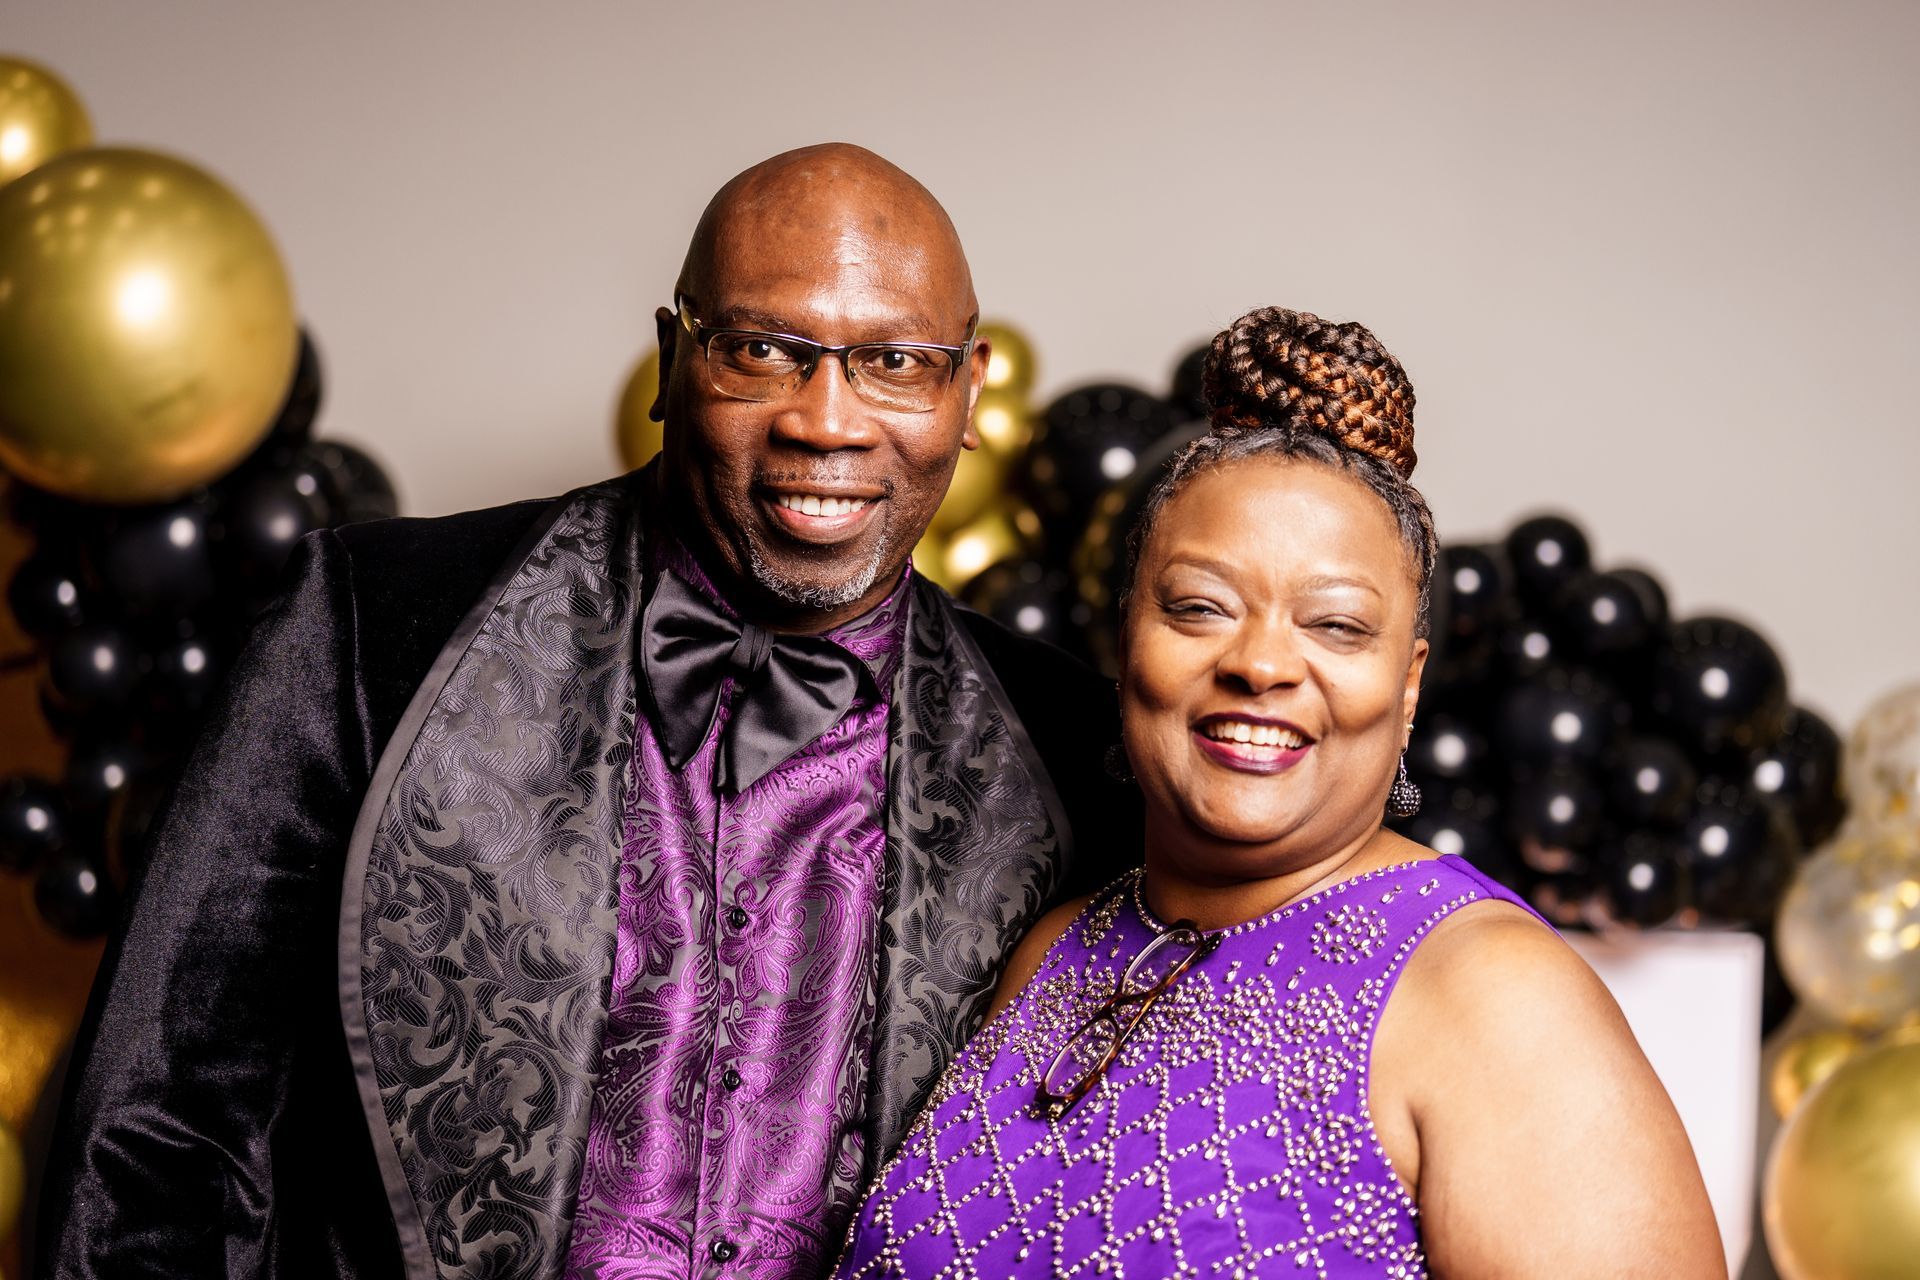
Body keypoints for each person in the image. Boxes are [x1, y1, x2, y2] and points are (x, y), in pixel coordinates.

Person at [36, 144, 1137, 1280]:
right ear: (671, 358)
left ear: (969, 392)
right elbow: (160, 1131)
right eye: (763, 350)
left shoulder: (1073, 748)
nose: (826, 422)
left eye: (896, 362)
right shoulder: (371, 624)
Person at [834, 306, 1724, 1278]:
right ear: (1128, 639)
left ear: (1409, 684)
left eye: (1335, 625)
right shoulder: (1055, 950)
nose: (1260, 664)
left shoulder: (1494, 999)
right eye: (1200, 607)